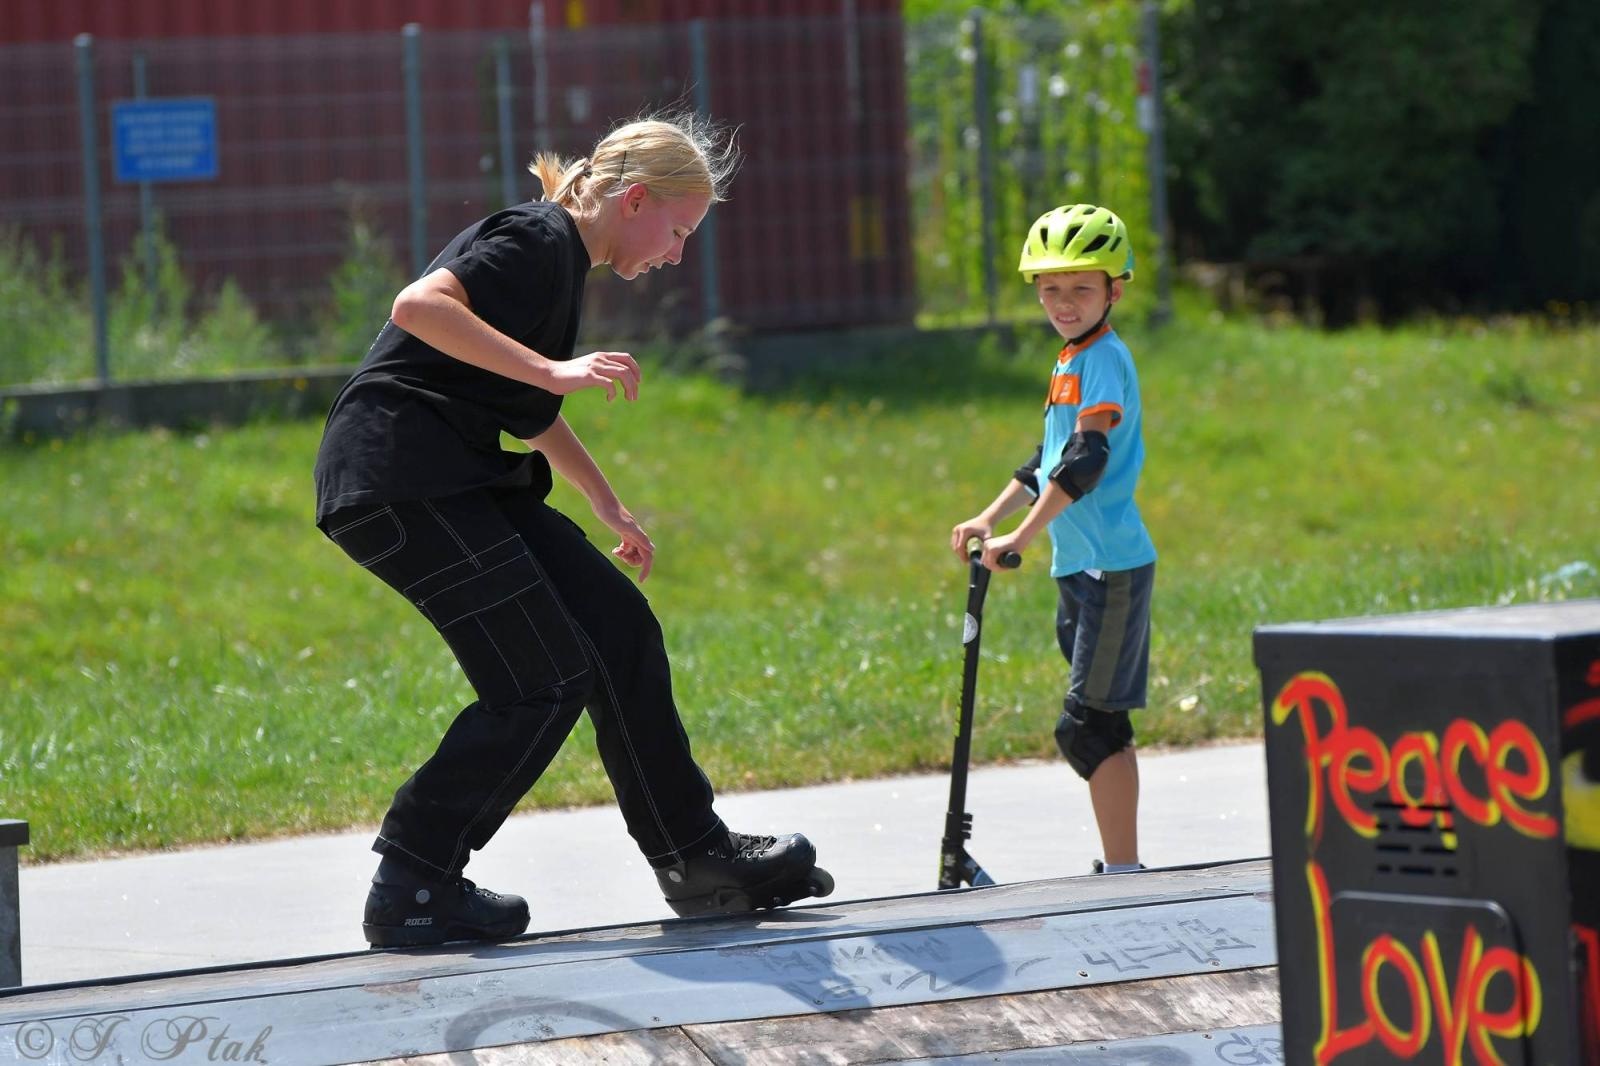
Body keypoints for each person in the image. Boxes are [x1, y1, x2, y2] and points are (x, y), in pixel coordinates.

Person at [313, 113, 828, 948]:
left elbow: (530, 408)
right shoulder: (532, 238)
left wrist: (606, 502)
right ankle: (413, 882)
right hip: (400, 480)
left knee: (617, 627)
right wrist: (555, 368)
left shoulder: (557, 267)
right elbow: (419, 306)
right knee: (542, 677)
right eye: (679, 229)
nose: (677, 252)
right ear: (634, 200)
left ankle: (693, 856)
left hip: (456, 478)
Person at [949, 202, 1157, 876]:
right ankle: (1121, 867)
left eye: (1081, 289)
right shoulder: (1069, 357)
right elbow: (1045, 460)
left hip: (1112, 568)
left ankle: (1124, 872)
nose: (1064, 303)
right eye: (1050, 290)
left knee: (1088, 728)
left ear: (1114, 290)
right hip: (1082, 567)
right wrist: (990, 516)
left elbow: (1084, 461)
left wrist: (1022, 537)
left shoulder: (1103, 360)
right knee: (1104, 726)